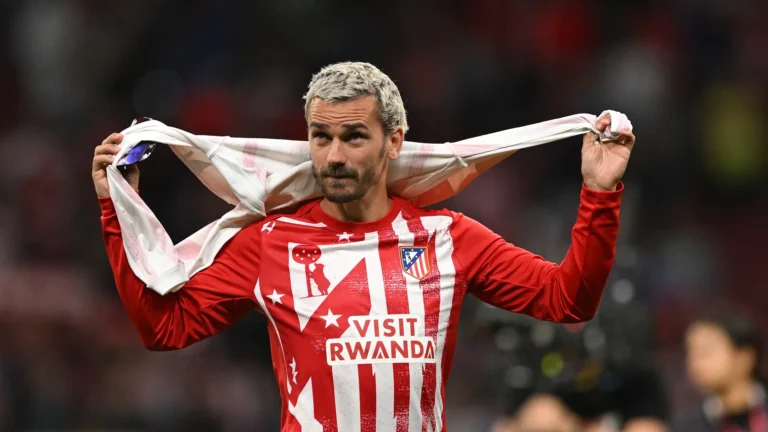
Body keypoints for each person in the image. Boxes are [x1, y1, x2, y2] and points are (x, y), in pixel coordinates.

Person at [92, 62, 635, 431]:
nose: (333, 156)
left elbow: (568, 300)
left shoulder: (449, 237)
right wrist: (116, 208)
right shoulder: (269, 243)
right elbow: (164, 328)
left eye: (353, 136)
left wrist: (599, 192)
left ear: (393, 141)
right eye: (321, 137)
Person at [674, 312, 768, 432]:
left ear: (744, 356)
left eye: (706, 351)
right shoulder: (687, 427)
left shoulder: (762, 414)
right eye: (691, 352)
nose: (695, 362)